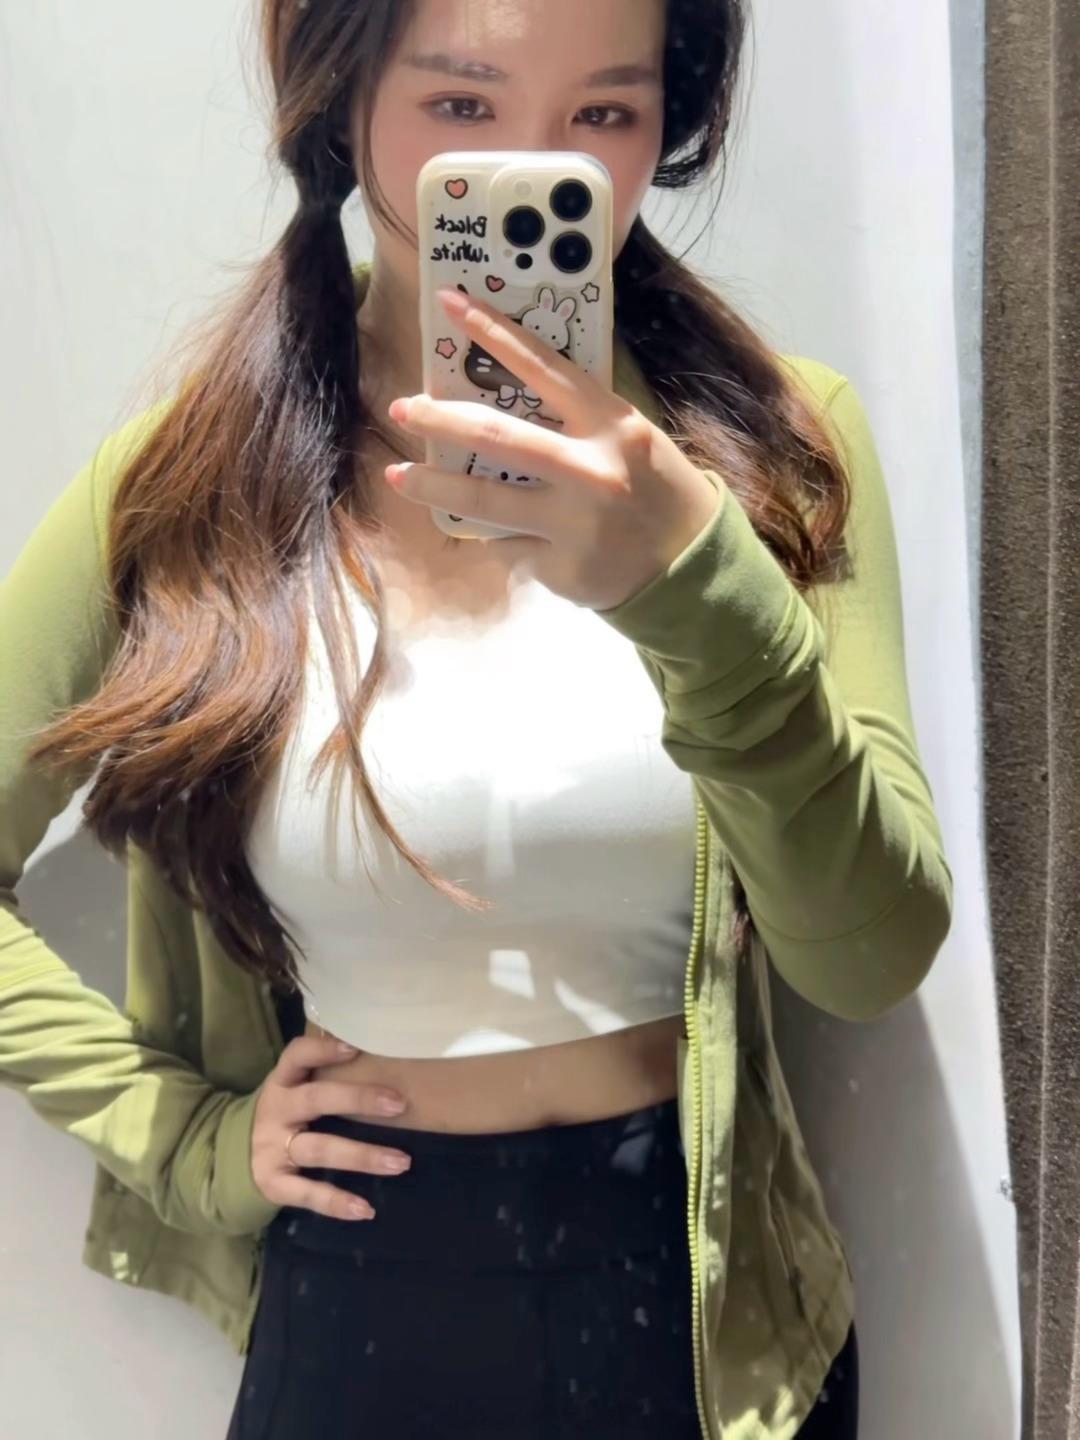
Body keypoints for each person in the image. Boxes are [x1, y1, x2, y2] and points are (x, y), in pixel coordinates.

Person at [0, 0, 954, 1436]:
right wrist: (184, 1140)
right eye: (461, 107)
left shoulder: (774, 446)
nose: (538, 163)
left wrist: (694, 588)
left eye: (605, 115)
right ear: (343, 107)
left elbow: (869, 955)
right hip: (361, 1286)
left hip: (708, 1311)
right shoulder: (193, 486)